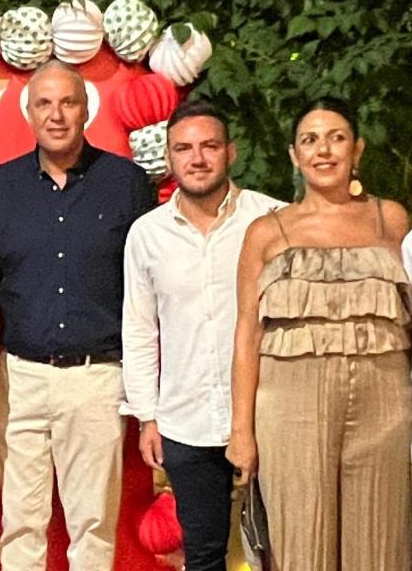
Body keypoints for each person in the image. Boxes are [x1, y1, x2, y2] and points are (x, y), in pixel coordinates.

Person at [0, 59, 152, 570]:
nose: (56, 115)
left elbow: (147, 285)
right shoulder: (3, 185)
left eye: (67, 102)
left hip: (96, 376)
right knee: (21, 522)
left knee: (93, 524)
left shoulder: (126, 183)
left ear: (86, 110)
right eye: (44, 104)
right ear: (29, 114)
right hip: (21, 375)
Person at [226, 97, 411, 571]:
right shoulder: (266, 233)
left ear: (358, 149)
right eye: (310, 140)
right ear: (294, 154)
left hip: (385, 404)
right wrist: (242, 432)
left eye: (336, 138)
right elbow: (247, 332)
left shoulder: (390, 219)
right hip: (290, 409)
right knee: (301, 542)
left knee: (381, 539)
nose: (323, 150)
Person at [120, 99, 281, 571]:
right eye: (184, 149)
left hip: (268, 410)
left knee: (284, 546)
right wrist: (147, 416)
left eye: (209, 146)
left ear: (230, 152)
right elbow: (140, 328)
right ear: (169, 158)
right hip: (185, 419)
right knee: (204, 555)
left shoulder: (272, 219)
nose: (197, 158)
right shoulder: (146, 234)